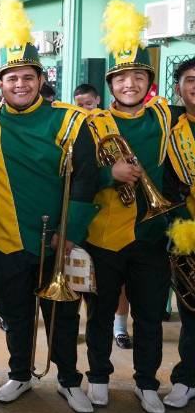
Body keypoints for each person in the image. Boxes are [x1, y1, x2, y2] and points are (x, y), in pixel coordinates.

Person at [0, 0, 99, 413]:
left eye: (28, 77)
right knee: (15, 314)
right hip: (3, 237)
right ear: (0, 83)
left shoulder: (71, 120)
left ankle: (69, 380)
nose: (20, 84)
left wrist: (71, 233)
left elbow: (86, 180)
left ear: (40, 80)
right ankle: (19, 374)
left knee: (62, 315)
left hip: (56, 239)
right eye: (11, 78)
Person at [83, 0, 178, 413]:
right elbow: (79, 175)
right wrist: (110, 174)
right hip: (104, 236)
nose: (129, 84)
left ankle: (147, 383)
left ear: (149, 82)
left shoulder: (164, 115)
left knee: (150, 316)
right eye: (121, 78)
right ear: (111, 84)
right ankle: (99, 378)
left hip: (151, 235)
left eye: (138, 77)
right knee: (100, 313)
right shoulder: (93, 123)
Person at [74, 83, 134, 348]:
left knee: (116, 285)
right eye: (80, 105)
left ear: (98, 100)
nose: (85, 109)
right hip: (86, 218)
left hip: (117, 219)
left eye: (89, 104)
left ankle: (120, 327)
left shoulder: (110, 124)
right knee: (82, 281)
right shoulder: (77, 128)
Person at [165, 56, 195, 408]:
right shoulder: (170, 128)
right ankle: (187, 378)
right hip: (187, 231)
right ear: (179, 88)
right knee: (191, 310)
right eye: (190, 80)